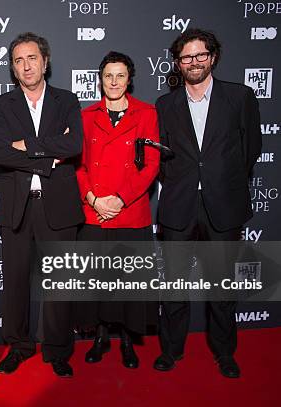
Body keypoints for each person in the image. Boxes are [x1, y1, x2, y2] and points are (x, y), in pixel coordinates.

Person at [154, 28, 262, 378]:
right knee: (173, 287)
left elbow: (251, 150)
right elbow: (164, 157)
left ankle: (225, 352)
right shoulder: (165, 104)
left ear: (213, 57)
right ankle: (171, 351)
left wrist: (220, 180)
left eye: (201, 55)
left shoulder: (240, 97)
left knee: (222, 287)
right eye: (187, 57)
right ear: (177, 63)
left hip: (223, 205)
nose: (194, 62)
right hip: (178, 206)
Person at [0, 32, 84, 377]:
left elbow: (73, 144)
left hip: (58, 205)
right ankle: (19, 345)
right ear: (13, 68)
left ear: (45, 62)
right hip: (18, 206)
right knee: (14, 281)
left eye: (32, 58)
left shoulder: (67, 100)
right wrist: (47, 156)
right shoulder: (1, 105)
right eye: (18, 60)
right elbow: (1, 153)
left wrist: (25, 146)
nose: (26, 66)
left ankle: (58, 349)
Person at [75, 51, 160, 369]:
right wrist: (94, 199)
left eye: (120, 75)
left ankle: (126, 340)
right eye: (108, 75)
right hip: (95, 212)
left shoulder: (147, 114)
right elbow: (78, 166)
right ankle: (99, 337)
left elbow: (151, 165)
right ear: (100, 79)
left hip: (130, 210)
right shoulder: (85, 116)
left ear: (130, 79)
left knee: (128, 282)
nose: (113, 81)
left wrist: (121, 199)